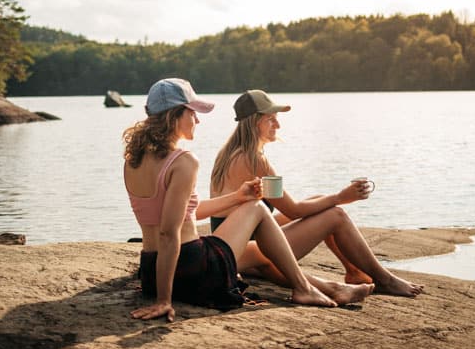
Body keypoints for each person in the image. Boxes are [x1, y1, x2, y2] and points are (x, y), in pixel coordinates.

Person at [124, 78, 373, 322]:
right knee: (256, 208)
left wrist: (238, 196)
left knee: (250, 206)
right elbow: (169, 233)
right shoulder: (183, 161)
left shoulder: (132, 161)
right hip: (193, 269)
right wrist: (164, 301)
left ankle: (318, 285)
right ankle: (303, 288)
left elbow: (185, 214)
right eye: (193, 113)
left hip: (151, 272)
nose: (197, 120)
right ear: (175, 115)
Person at [209, 89, 424, 297]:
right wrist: (341, 197)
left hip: (239, 244)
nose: (278, 125)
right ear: (256, 122)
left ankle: (355, 272)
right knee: (335, 214)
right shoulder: (255, 160)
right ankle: (384, 280)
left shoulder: (229, 153)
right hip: (246, 249)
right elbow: (293, 210)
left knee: (317, 201)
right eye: (271, 119)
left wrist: (332, 199)